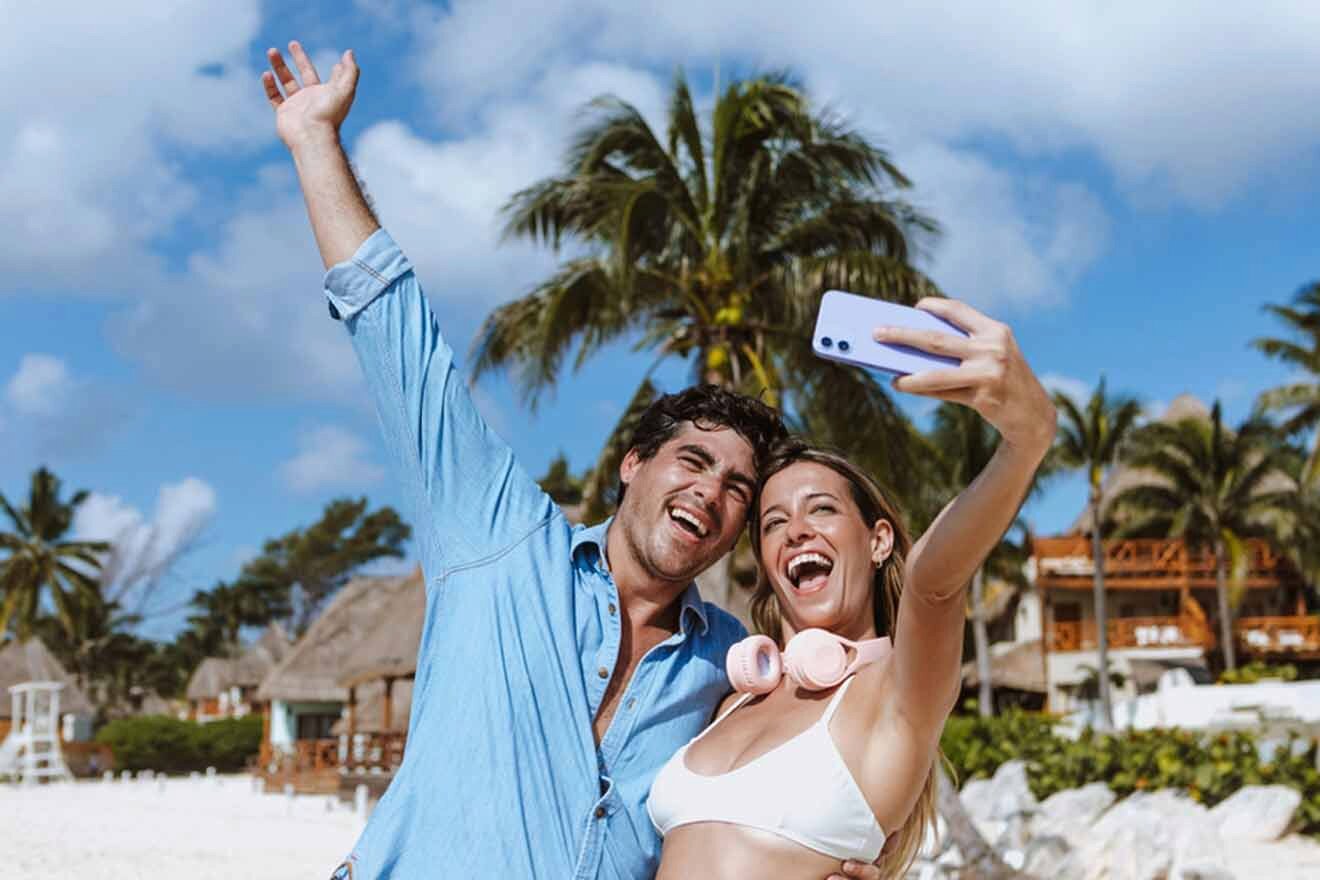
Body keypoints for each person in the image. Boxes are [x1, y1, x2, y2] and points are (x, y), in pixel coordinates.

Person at [262, 42, 896, 880]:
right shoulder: (497, 538)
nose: (709, 492)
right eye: (692, 461)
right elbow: (397, 337)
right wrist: (315, 143)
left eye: (739, 487)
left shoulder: (734, 664)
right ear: (634, 463)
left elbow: (774, 798)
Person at [649, 309, 1055, 878]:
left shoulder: (899, 693)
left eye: (822, 508)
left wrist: (1026, 440)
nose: (797, 531)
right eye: (773, 522)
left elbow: (933, 586)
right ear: (766, 561)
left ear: (878, 541)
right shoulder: (734, 698)